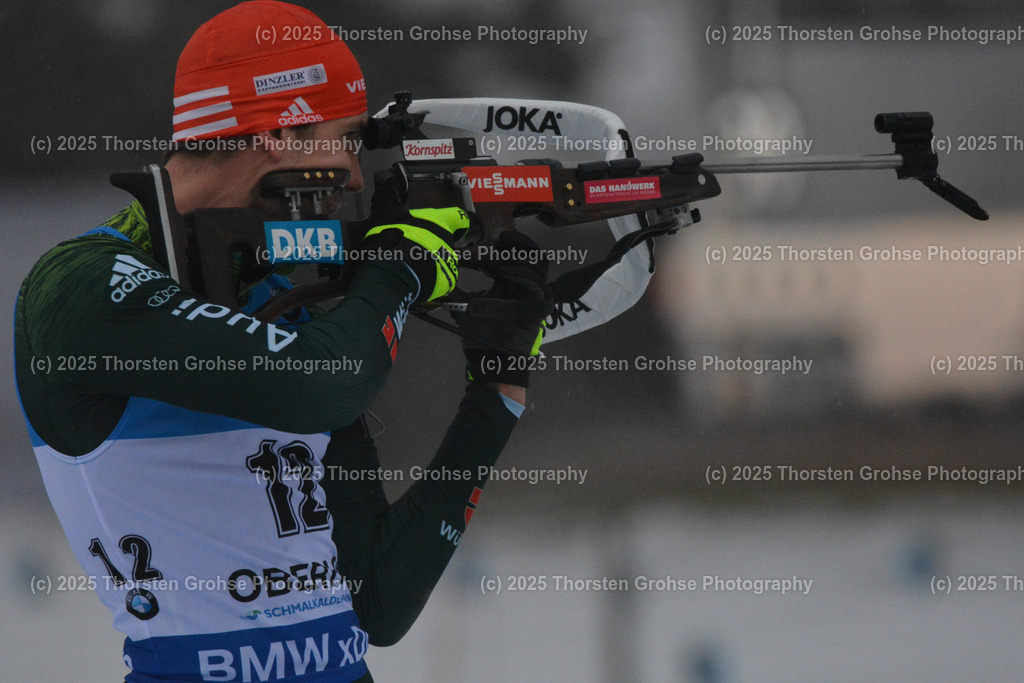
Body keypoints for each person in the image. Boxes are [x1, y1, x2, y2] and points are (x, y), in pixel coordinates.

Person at [13, 2, 549, 681]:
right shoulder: (78, 288)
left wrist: (496, 388)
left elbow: (377, 601)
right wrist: (400, 267)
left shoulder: (273, 302)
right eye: (346, 140)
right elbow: (320, 381)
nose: (355, 178)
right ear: (280, 132)